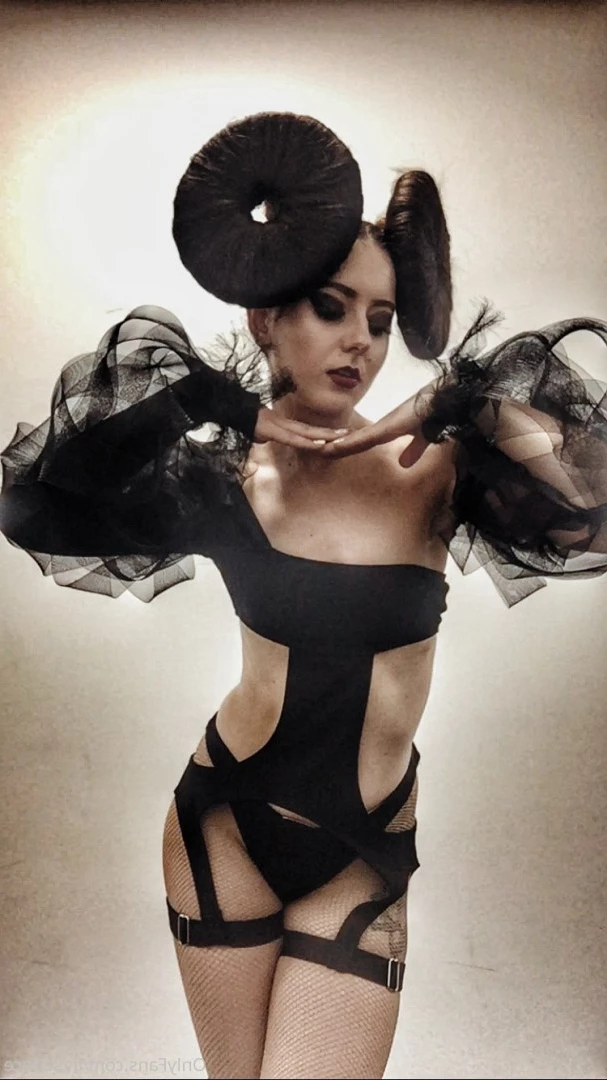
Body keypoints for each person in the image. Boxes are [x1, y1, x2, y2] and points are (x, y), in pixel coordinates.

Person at [0, 112, 606, 1080]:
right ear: (265, 319)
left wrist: (460, 400)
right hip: (222, 828)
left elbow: (593, 503)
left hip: (363, 852)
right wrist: (204, 401)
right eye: (331, 307)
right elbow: (34, 504)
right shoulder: (226, 480)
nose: (360, 342)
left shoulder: (434, 471)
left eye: (380, 319)